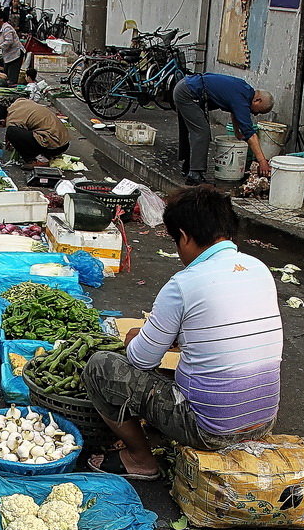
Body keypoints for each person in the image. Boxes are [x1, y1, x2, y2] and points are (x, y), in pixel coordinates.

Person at [84, 186, 283, 480]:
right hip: (263, 422)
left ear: (185, 236)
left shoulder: (184, 284)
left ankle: (140, 459)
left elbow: (140, 360)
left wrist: (134, 337)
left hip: (209, 431)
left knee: (100, 367)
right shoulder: (259, 269)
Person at [172, 72, 274, 183]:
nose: (255, 114)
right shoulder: (242, 99)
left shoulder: (244, 90)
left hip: (186, 86)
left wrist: (236, 131)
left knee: (192, 130)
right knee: (202, 132)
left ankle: (188, 166)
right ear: (257, 100)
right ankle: (194, 175)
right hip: (187, 92)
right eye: (258, 111)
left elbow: (234, 111)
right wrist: (262, 161)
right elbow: (251, 135)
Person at [0, 99, 69, 164]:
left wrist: (13, 141)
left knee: (12, 132)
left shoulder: (12, 121)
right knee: (12, 131)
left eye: (0, 126)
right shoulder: (19, 102)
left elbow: (17, 134)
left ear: (2, 121)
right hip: (64, 140)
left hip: (56, 145)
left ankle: (38, 160)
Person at [0, 11, 24, 85]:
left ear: (1, 19)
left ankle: (13, 91)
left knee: (12, 77)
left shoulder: (7, 28)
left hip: (15, 55)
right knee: (5, 76)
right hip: (7, 55)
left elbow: (9, 41)